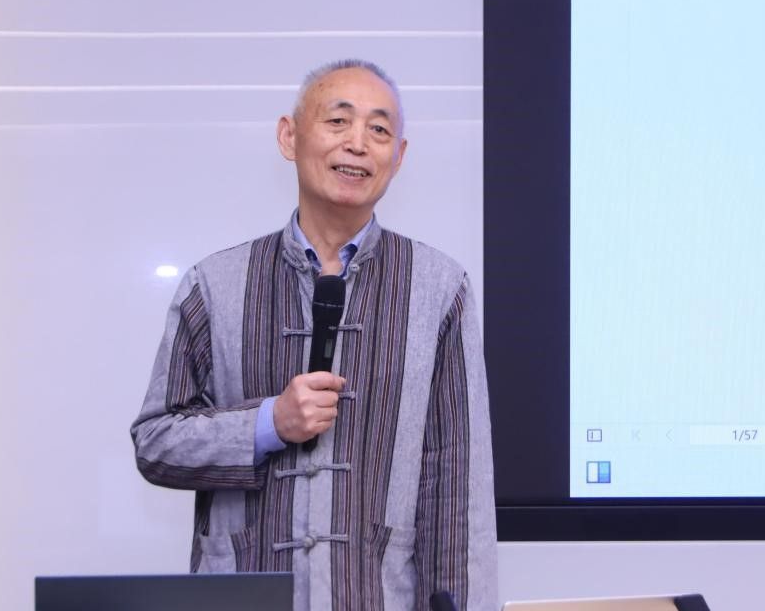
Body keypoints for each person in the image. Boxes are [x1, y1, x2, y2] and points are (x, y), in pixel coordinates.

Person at [131, 59, 498, 611]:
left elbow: (458, 488)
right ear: (290, 136)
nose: (358, 144)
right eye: (338, 121)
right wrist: (267, 424)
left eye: (379, 129)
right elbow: (156, 442)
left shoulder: (440, 289)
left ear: (398, 156)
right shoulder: (215, 284)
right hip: (246, 600)